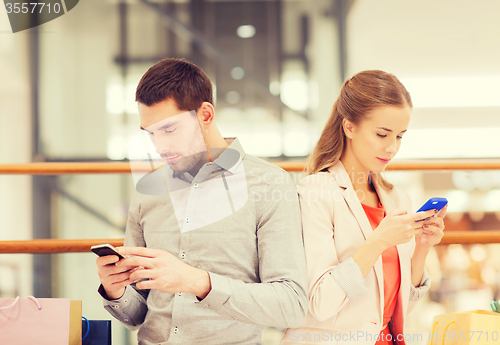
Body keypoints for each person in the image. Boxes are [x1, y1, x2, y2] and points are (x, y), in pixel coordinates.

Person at [96, 58, 308, 345]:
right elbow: (138, 315)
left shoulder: (269, 184)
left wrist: (196, 281)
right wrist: (116, 291)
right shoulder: (148, 191)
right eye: (151, 134)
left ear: (205, 115)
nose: (160, 148)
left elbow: (290, 305)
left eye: (169, 130)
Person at [281, 70, 446, 345]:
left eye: (400, 136)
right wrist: (378, 241)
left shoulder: (396, 200)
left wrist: (422, 247)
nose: (392, 148)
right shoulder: (316, 193)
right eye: (382, 134)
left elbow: (397, 310)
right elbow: (320, 303)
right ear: (349, 127)